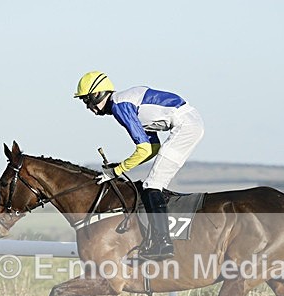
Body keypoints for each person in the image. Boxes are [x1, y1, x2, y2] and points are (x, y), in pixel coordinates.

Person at [74, 71, 204, 261]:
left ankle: (163, 243)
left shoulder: (120, 106)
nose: (88, 107)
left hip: (186, 126)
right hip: (189, 122)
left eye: (87, 101)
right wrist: (120, 167)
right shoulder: (123, 103)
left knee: (152, 185)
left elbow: (144, 150)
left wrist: (116, 171)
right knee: (151, 184)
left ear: (97, 95)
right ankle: (160, 239)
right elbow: (152, 148)